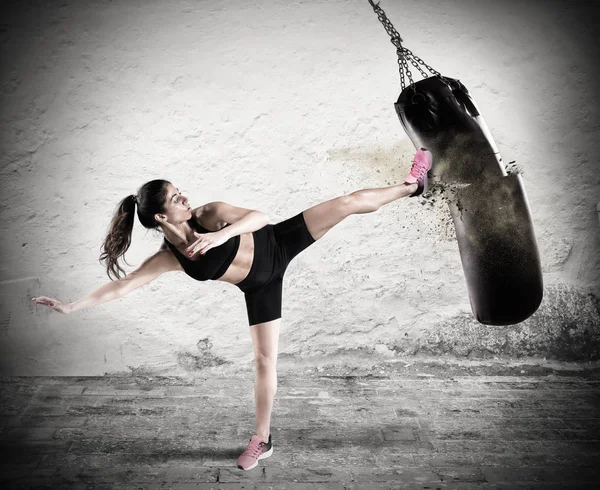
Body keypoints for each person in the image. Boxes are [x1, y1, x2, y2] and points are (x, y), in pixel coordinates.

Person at [31, 148, 432, 471]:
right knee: (263, 362)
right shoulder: (173, 257)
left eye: (179, 191)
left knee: (346, 203)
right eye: (175, 198)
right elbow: (124, 285)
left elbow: (261, 217)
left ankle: (414, 185)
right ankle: (263, 439)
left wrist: (220, 235)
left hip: (278, 243)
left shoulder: (209, 214)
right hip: (261, 286)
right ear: (161, 217)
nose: (184, 197)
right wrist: (71, 306)